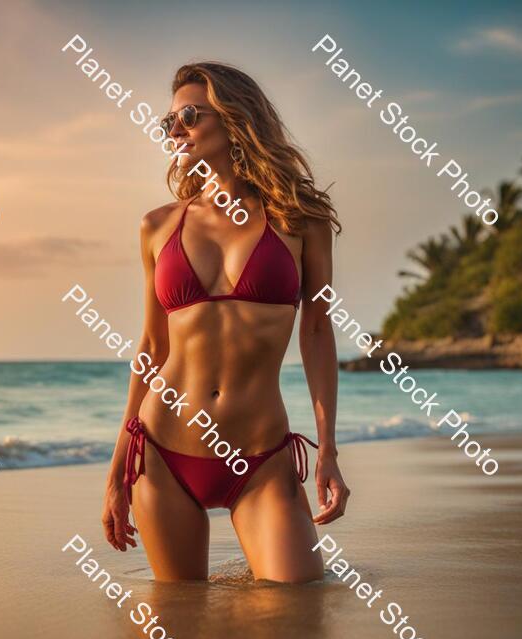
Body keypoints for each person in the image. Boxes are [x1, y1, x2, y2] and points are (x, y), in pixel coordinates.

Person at [102, 62, 350, 582]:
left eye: (188, 116)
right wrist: (118, 465)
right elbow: (151, 344)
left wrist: (327, 448)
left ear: (236, 117)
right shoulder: (157, 226)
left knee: (297, 611)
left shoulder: (300, 219)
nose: (174, 130)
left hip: (260, 457)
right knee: (179, 626)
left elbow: (318, 331)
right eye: (167, 121)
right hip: (164, 453)